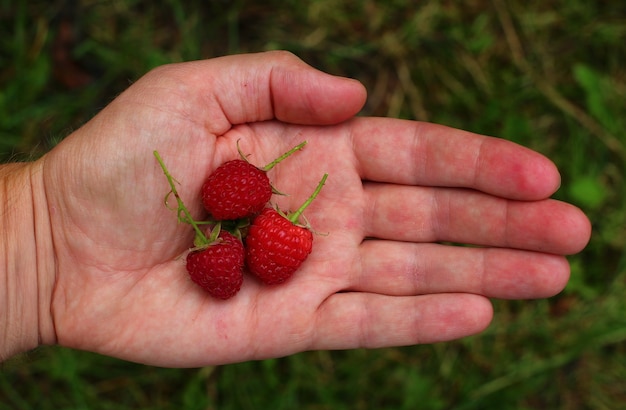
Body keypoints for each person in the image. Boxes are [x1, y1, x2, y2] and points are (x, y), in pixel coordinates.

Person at [0, 51, 591, 367]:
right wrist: (43, 233)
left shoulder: (232, 228)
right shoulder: (229, 227)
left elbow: (236, 225)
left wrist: (38, 240)